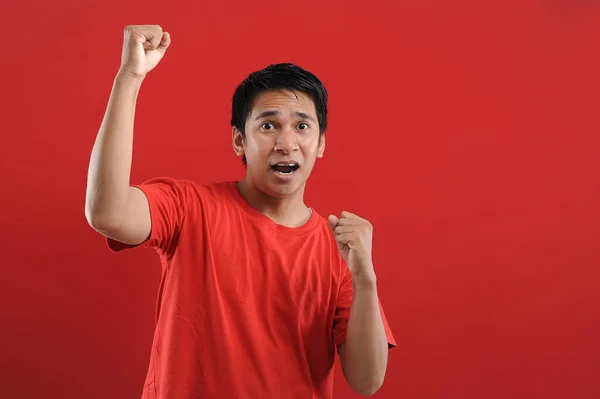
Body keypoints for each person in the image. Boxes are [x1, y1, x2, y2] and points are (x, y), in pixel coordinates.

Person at [85, 25, 396, 399]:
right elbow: (107, 212)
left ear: (321, 142)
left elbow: (367, 380)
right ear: (239, 140)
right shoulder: (188, 208)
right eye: (268, 125)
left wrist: (366, 278)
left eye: (302, 126)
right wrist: (130, 76)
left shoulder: (341, 252)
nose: (286, 143)